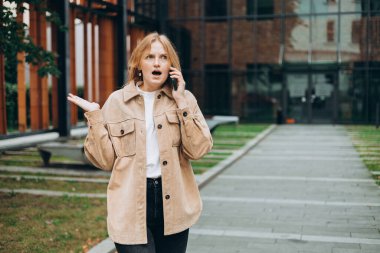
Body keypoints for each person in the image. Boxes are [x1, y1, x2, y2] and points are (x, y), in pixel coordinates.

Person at [67, 32, 213, 253]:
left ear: (171, 65)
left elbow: (199, 149)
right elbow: (104, 161)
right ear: (138, 64)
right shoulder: (117, 102)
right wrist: (96, 117)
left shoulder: (185, 99)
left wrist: (182, 103)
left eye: (163, 57)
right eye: (150, 57)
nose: (157, 62)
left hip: (173, 201)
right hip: (129, 202)